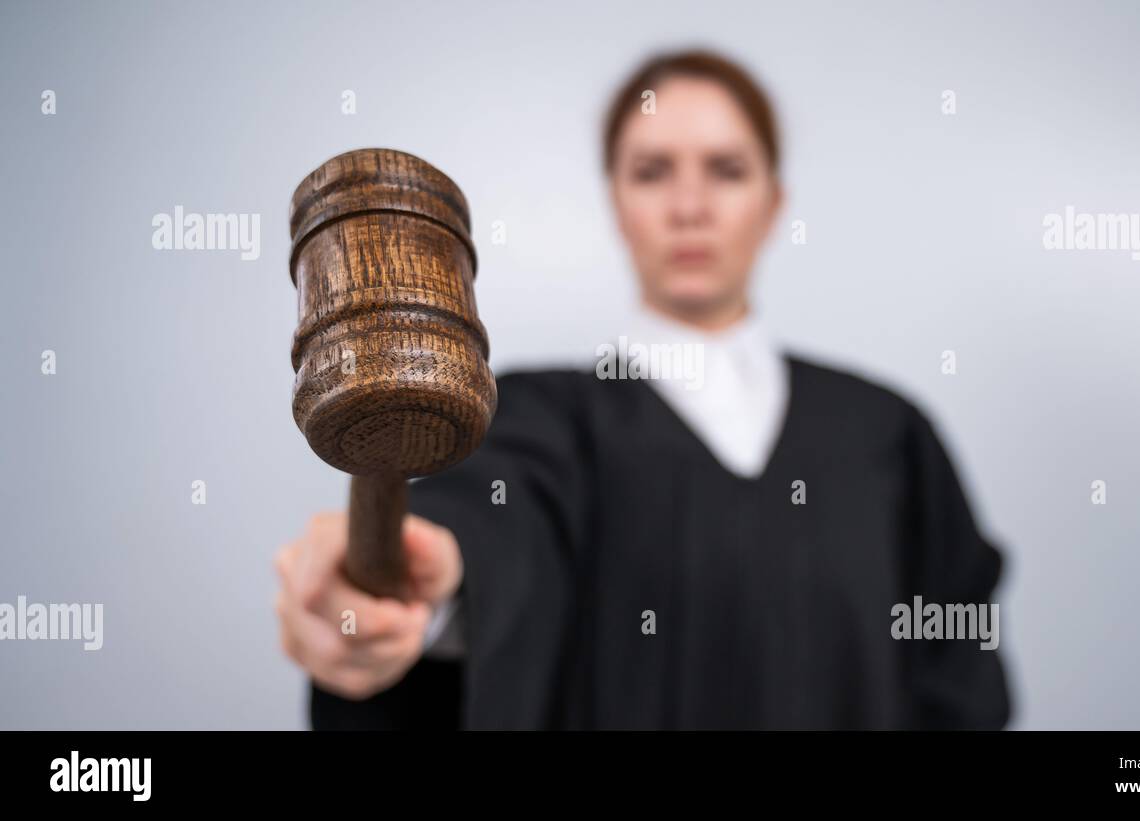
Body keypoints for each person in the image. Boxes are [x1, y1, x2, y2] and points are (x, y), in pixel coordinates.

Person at [275, 49, 1013, 730]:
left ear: (775, 201)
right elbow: (485, 538)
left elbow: (959, 663)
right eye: (652, 171)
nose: (689, 205)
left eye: (726, 169)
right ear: (617, 202)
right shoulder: (531, 420)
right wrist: (411, 594)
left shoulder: (886, 432)